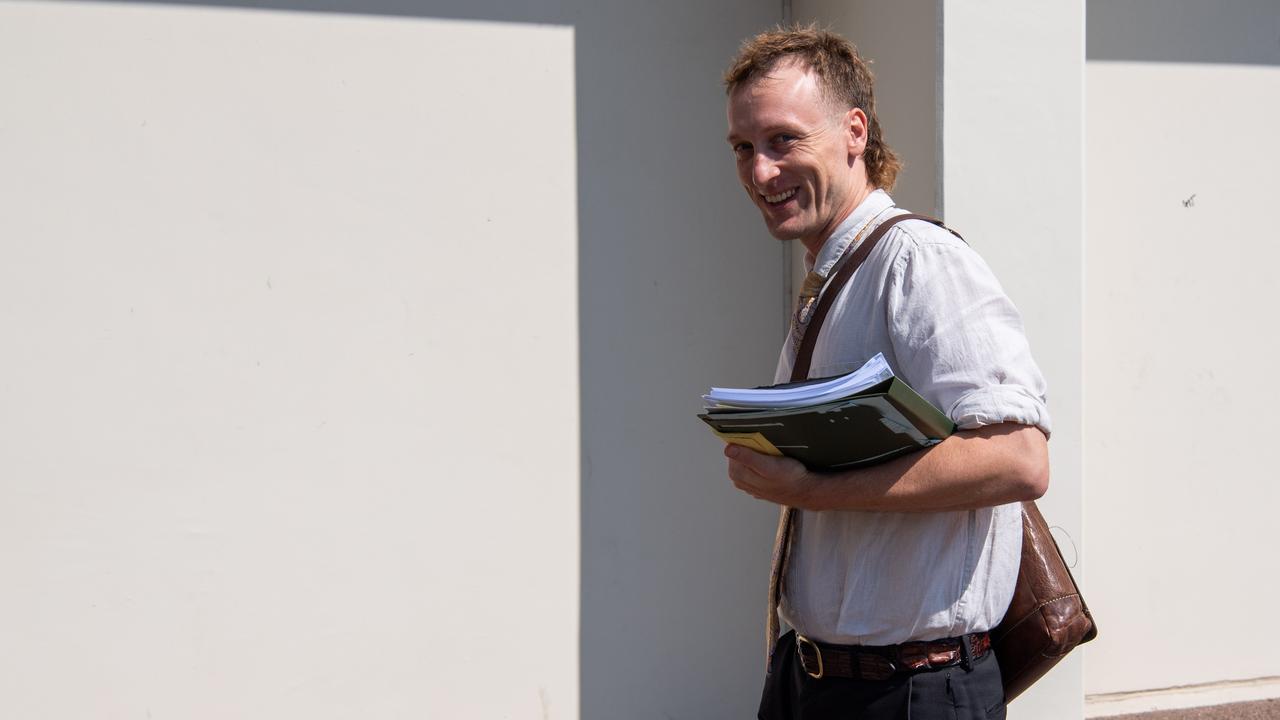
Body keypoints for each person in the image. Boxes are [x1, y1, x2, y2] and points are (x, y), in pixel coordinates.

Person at [722, 27, 1051, 719]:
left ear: (853, 131)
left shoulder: (917, 262)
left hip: (910, 691)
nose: (760, 172)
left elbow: (1021, 461)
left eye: (783, 140)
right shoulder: (839, 272)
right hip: (822, 677)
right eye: (744, 148)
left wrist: (814, 488)